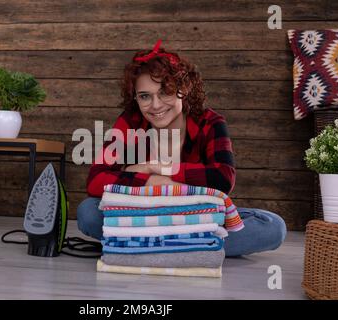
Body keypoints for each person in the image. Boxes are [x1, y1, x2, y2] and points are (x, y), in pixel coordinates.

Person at [77, 39, 286, 256]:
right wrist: (153, 182)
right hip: (141, 214)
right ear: (136, 98)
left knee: (272, 226)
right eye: (145, 96)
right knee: (88, 212)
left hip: (195, 217)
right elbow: (95, 179)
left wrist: (157, 169)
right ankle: (189, 246)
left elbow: (223, 179)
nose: (155, 105)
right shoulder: (131, 122)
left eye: (165, 92)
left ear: (183, 89)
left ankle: (146, 245)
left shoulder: (210, 122)